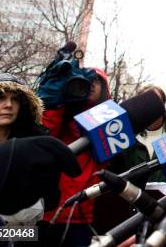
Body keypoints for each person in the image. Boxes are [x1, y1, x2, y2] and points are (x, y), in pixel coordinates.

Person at [41, 67, 110, 247]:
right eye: (88, 81)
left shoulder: (111, 120)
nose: (92, 86)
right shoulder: (62, 112)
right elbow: (44, 139)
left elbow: (106, 159)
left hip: (81, 213)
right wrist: (57, 104)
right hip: (46, 211)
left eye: (97, 81)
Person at [0, 73, 48, 229]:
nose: (8, 105)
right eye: (0, 98)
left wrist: (33, 236)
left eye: (15, 99)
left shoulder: (32, 143)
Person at [110, 84, 166, 186]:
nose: (149, 106)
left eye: (155, 101)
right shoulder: (125, 136)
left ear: (163, 106)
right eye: (145, 101)